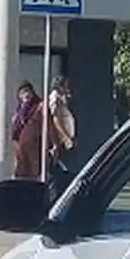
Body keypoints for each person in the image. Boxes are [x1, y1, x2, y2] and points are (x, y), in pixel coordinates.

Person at [45, 68, 77, 196]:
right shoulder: (55, 98)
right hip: (60, 140)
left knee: (62, 167)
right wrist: (66, 137)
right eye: (65, 85)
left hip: (65, 139)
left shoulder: (61, 98)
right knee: (59, 168)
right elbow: (56, 119)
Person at [11, 80, 44, 179]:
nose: (25, 95)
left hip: (34, 145)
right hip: (19, 144)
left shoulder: (38, 106)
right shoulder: (19, 109)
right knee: (21, 170)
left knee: (33, 171)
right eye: (22, 93)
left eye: (27, 91)